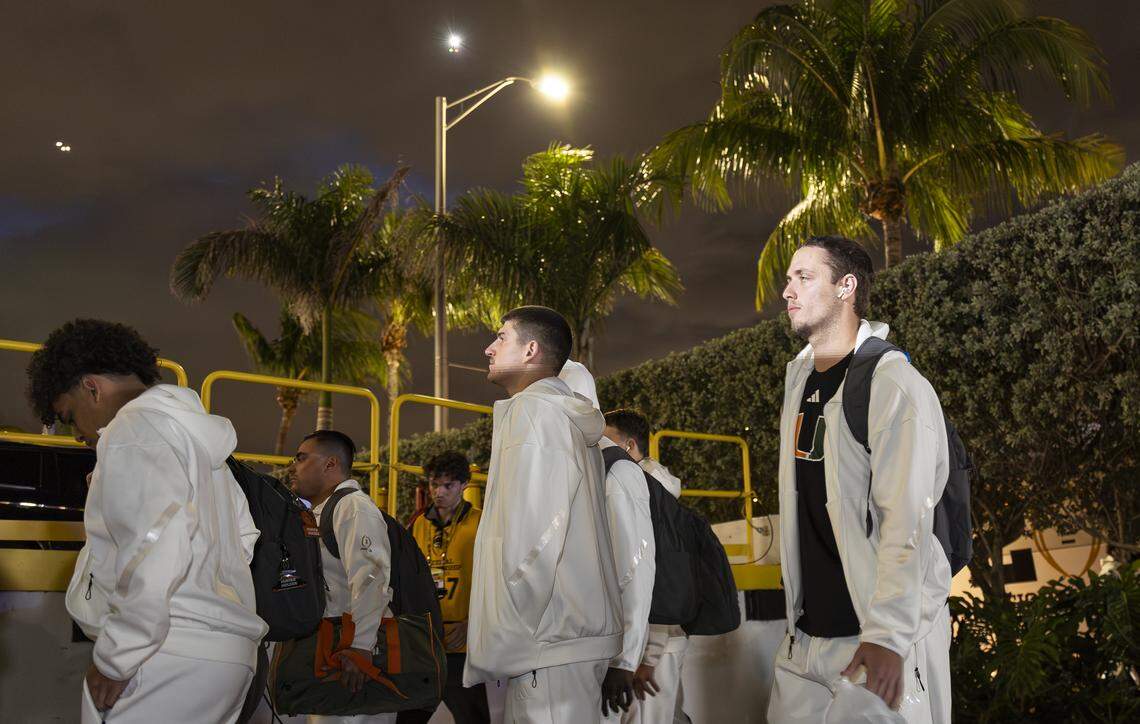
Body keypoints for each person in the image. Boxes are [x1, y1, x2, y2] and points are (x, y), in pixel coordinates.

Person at [27, 319, 267, 723]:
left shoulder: (133, 430)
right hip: (226, 656)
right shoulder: (201, 446)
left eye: (68, 416)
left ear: (91, 387)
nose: (74, 434)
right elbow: (245, 537)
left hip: (167, 653)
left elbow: (155, 542)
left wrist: (118, 656)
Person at [768, 236, 952, 723]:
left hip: (872, 641)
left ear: (846, 286)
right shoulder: (800, 379)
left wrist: (888, 636)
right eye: (788, 279)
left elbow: (907, 516)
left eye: (804, 277)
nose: (787, 290)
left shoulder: (891, 382)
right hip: (806, 640)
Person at [464, 306, 623, 723]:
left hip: (545, 640)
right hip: (560, 638)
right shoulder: (561, 415)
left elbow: (535, 533)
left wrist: (511, 629)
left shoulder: (534, 412)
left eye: (501, 337)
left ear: (531, 349)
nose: (489, 348)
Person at [557, 363, 656, 719]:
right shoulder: (566, 464)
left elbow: (636, 567)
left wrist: (625, 660)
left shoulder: (615, 469)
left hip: (594, 654)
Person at [288, 430, 394, 724]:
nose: (292, 467)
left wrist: (361, 647)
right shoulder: (324, 511)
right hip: (337, 651)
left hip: (357, 658)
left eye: (301, 458)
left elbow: (371, 578)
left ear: (330, 464)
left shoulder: (353, 507)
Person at [601, 409, 691, 724]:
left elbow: (664, 577)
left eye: (606, 438)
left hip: (655, 644)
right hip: (641, 643)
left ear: (628, 446)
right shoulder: (637, 486)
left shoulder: (652, 494)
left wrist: (648, 657)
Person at [402, 451, 489, 724]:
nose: (438, 492)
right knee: (409, 715)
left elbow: (493, 581)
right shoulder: (419, 524)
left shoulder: (480, 523)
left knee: (472, 716)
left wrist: (473, 623)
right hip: (426, 640)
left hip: (462, 642)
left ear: (464, 485)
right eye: (433, 484)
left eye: (447, 485)